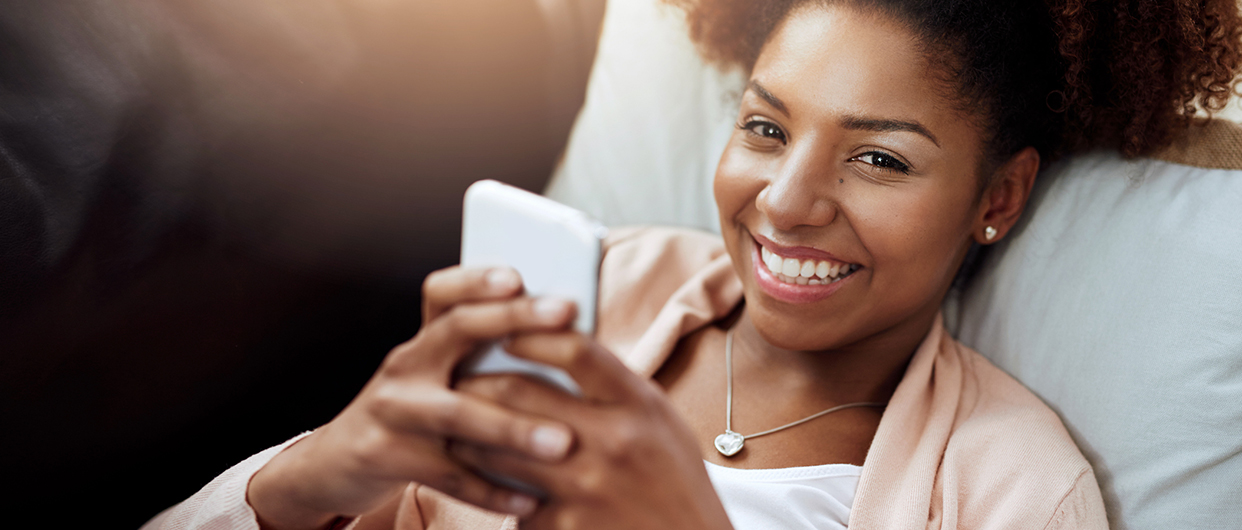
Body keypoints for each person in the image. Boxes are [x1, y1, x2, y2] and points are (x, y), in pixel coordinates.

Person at [144, 0, 1242, 529]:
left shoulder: (1015, 485)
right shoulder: (602, 285)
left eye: (876, 157)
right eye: (767, 129)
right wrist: (312, 473)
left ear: (996, 198)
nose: (788, 201)